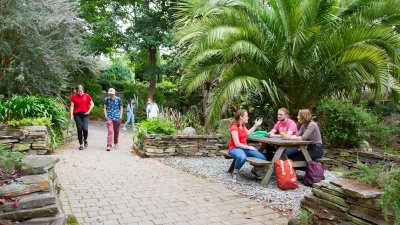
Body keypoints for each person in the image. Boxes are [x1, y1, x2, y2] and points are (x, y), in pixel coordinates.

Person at [228, 109, 266, 182]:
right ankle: (235, 172)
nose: (248, 117)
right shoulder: (234, 127)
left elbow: (248, 133)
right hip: (234, 148)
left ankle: (255, 170)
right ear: (241, 117)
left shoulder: (243, 125)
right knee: (242, 157)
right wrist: (250, 147)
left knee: (262, 157)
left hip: (243, 148)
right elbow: (237, 144)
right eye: (246, 116)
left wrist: (256, 125)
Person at [70, 85, 94, 150]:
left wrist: (88, 111)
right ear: (77, 91)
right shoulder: (73, 96)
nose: (80, 92)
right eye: (78, 91)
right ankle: (81, 144)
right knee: (79, 129)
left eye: (81, 91)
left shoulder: (87, 96)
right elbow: (72, 106)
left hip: (85, 114)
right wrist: (71, 115)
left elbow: (92, 104)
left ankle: (85, 139)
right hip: (77, 114)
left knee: (85, 129)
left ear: (83, 90)